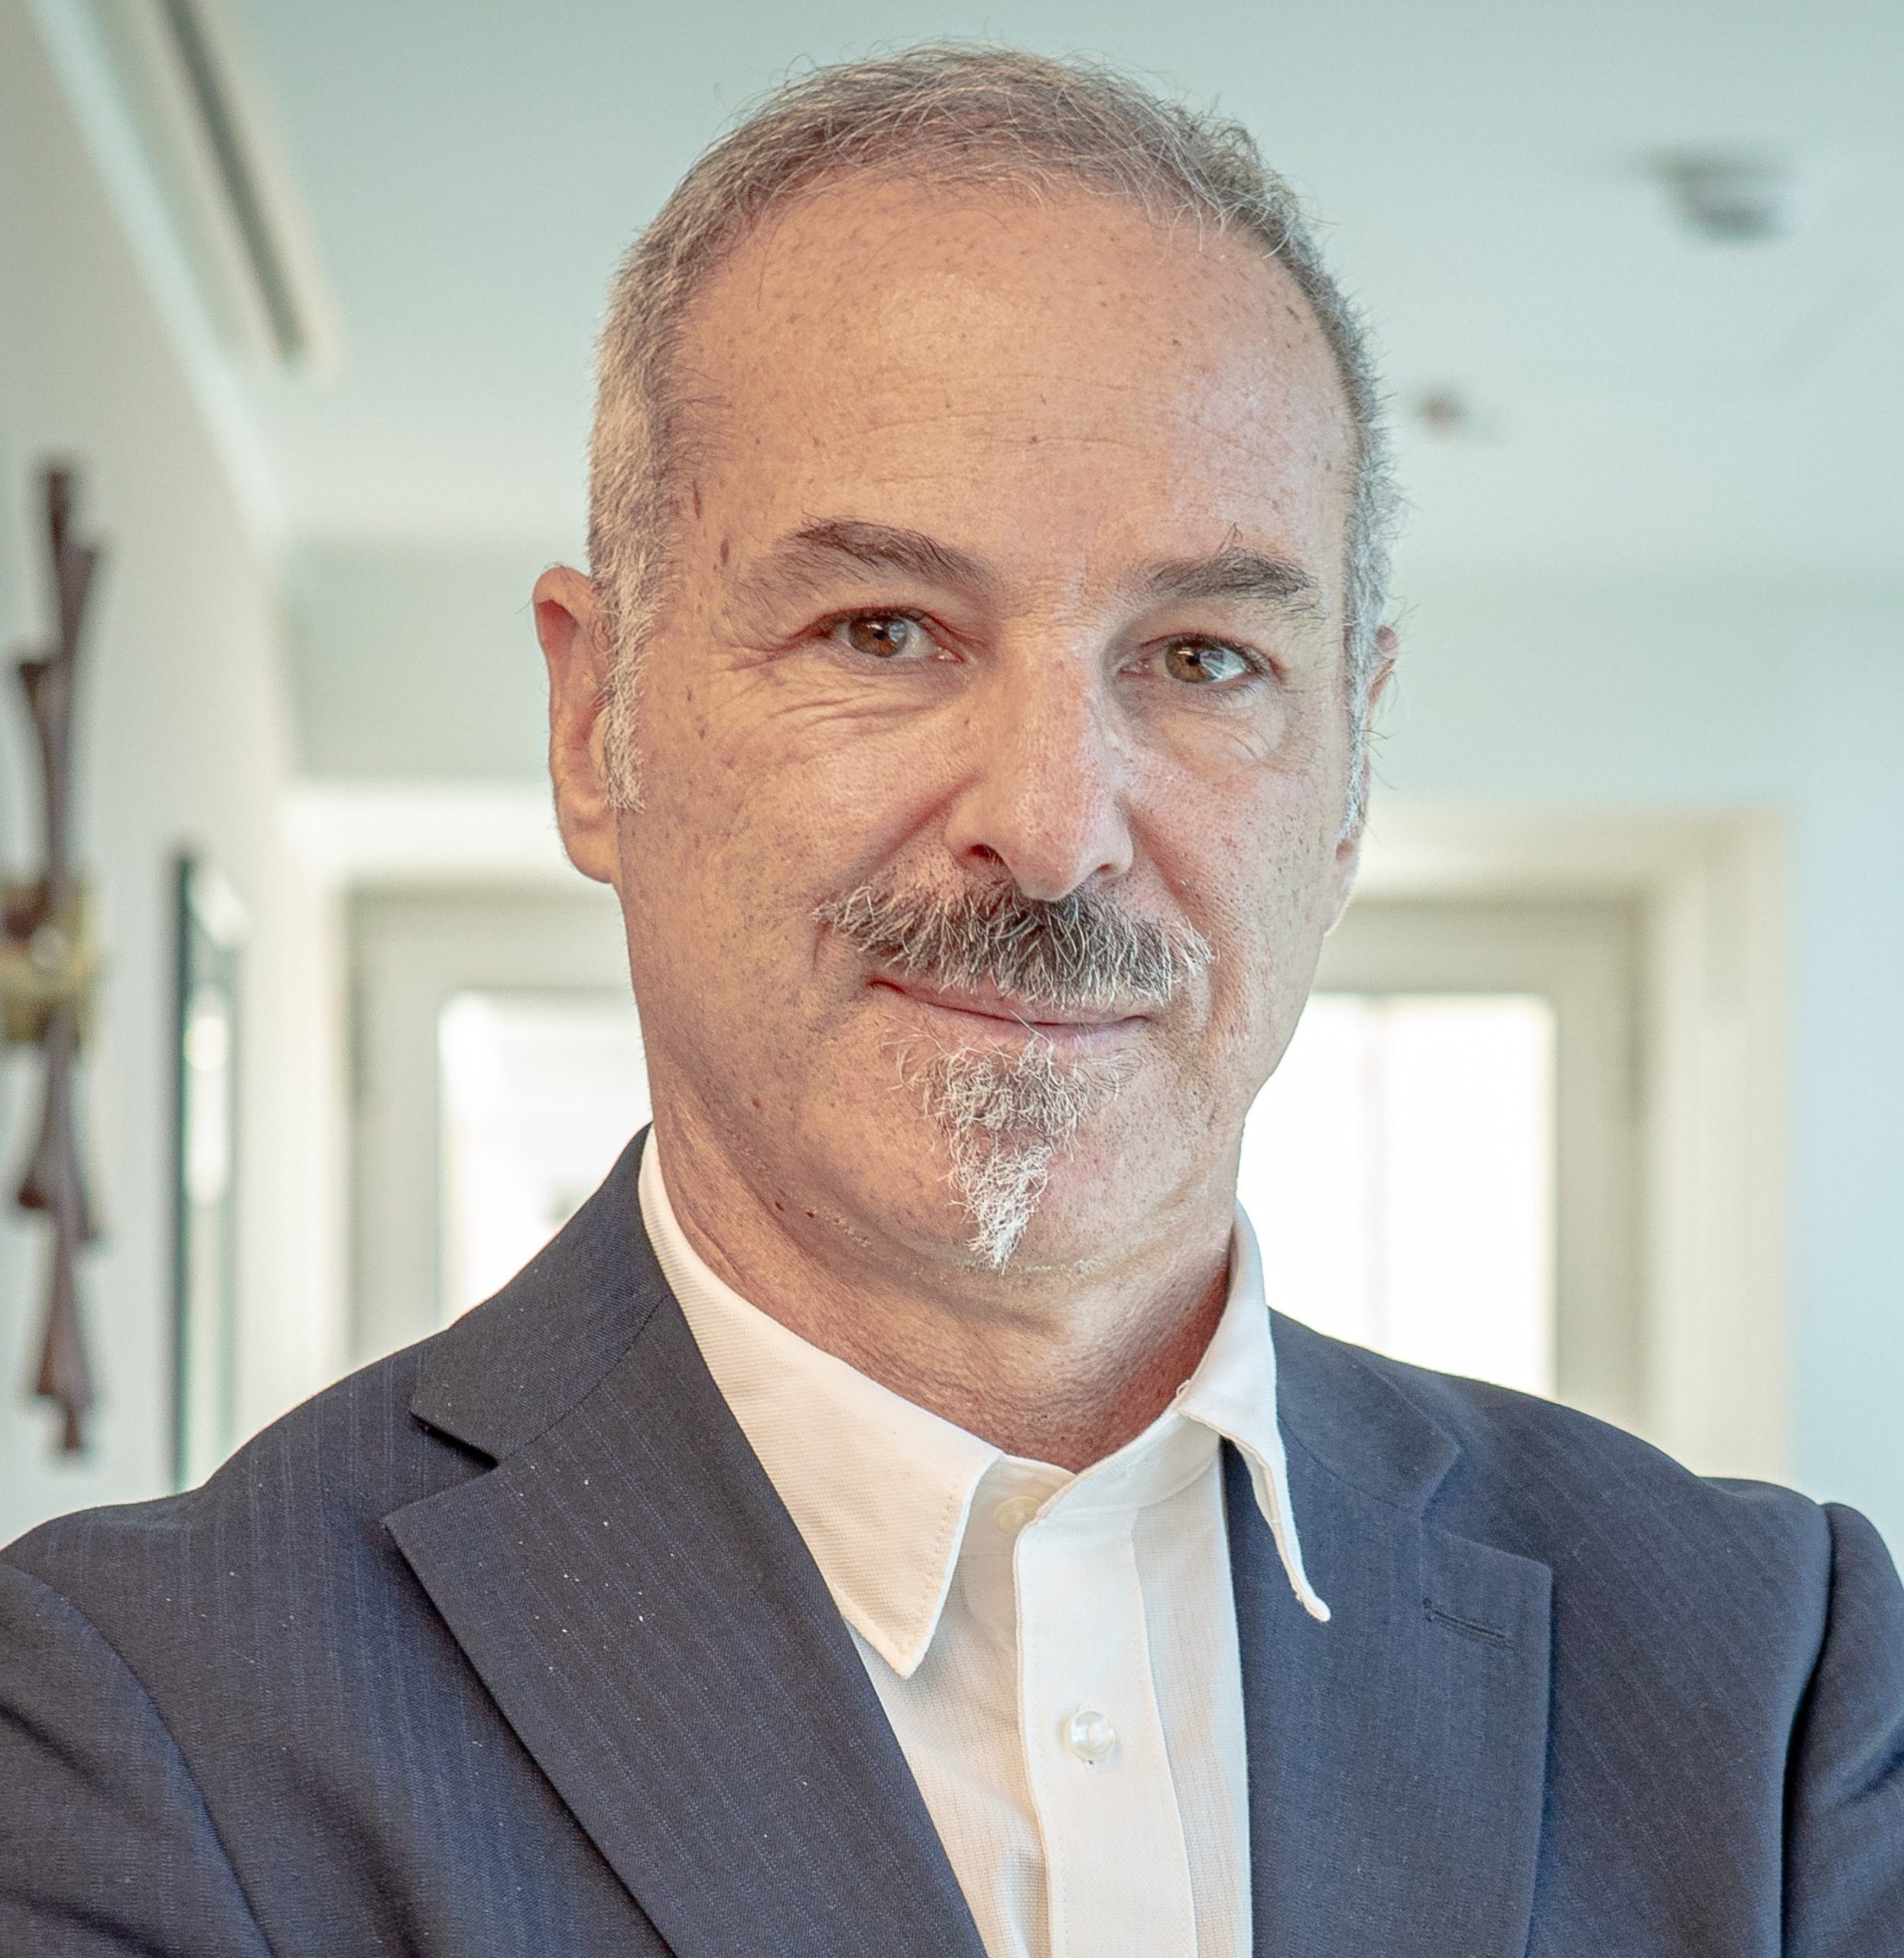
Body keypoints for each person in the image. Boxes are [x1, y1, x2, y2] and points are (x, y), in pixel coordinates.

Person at [3, 44, 1900, 1958]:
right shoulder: (146, 1717)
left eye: (1203, 656)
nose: (1056, 830)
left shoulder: (1772, 1680)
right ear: (594, 726)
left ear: (1348, 776)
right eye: (885, 630)